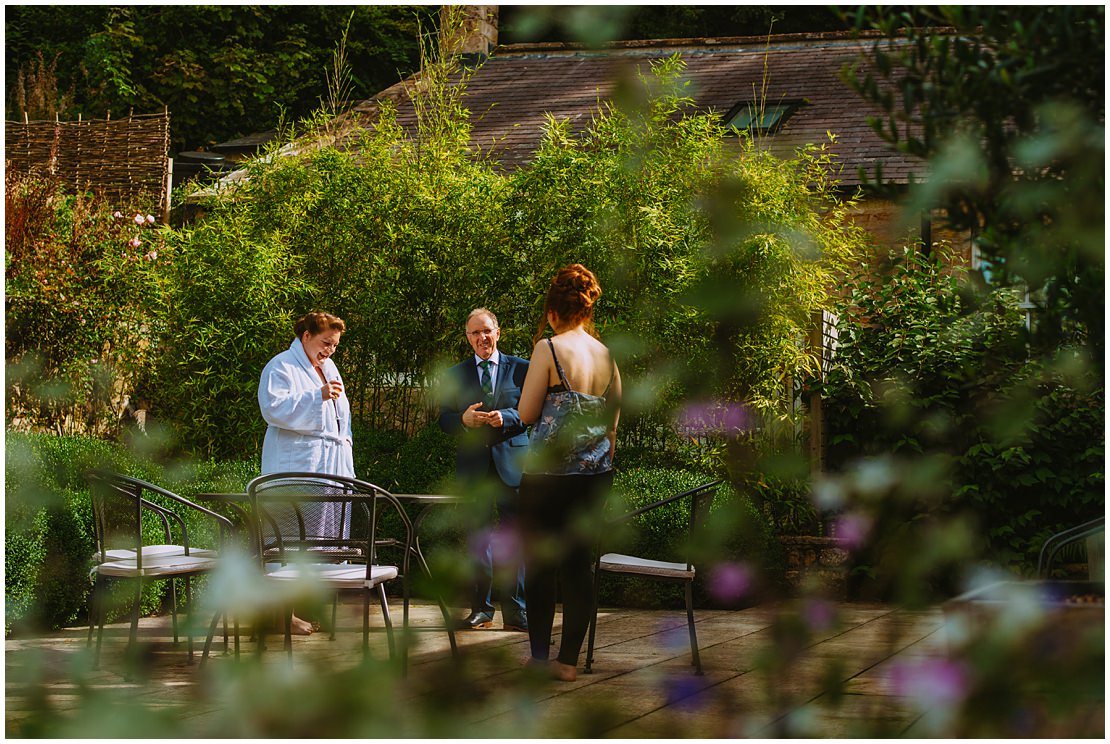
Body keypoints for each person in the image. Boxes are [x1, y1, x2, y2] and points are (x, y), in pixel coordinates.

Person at [517, 264, 621, 682]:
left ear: (553, 310)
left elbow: (526, 413)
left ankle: (541, 659)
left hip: (548, 479)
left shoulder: (549, 348)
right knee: (579, 568)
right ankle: (568, 663)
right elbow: (613, 426)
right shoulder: (608, 356)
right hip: (595, 477)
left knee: (541, 565)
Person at [258, 311, 353, 635]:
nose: (330, 350)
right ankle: (278, 615)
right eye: (326, 342)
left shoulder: (328, 368)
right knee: (286, 540)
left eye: (335, 345)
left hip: (326, 467)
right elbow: (272, 408)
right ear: (307, 336)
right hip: (296, 467)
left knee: (315, 543)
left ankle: (294, 610)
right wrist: (317, 396)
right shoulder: (281, 366)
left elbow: (340, 421)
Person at [437, 308, 530, 632]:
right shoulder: (456, 374)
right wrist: (462, 420)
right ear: (468, 338)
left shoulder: (522, 368)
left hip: (512, 465)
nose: (482, 338)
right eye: (475, 333)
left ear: (498, 332)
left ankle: (517, 611)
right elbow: (443, 418)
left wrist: (508, 416)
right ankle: (481, 609)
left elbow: (533, 411)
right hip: (474, 465)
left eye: (486, 331)